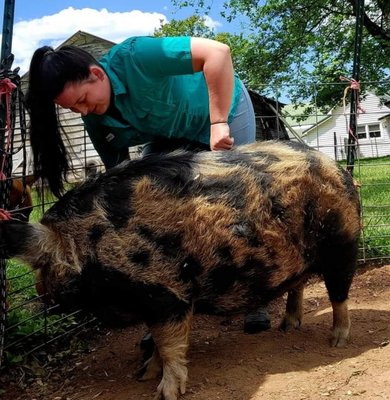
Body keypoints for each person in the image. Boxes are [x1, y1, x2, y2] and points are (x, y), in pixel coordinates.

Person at [26, 35, 271, 349]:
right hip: (168, 135)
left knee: (238, 203)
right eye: (73, 109)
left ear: (97, 74)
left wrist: (219, 122)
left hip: (221, 113)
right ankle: (164, 311)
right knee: (158, 213)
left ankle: (255, 296)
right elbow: (121, 181)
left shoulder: (137, 56)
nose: (83, 111)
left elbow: (219, 52)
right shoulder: (97, 120)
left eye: (83, 100)